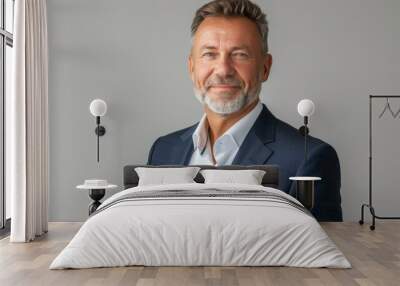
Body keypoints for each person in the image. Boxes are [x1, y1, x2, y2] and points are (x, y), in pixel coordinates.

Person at [147, 0, 342, 221]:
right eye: (210, 54)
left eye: (240, 54)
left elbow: (318, 253)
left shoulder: (308, 159)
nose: (223, 70)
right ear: (192, 68)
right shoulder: (162, 151)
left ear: (265, 68)